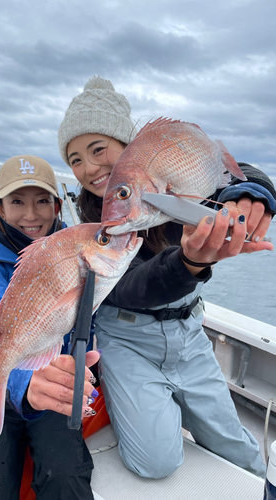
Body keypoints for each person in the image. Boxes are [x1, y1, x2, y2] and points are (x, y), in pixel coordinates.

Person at [58, 76, 276, 479]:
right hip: (125, 339)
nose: (88, 168)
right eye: (74, 159)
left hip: (189, 335)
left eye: (98, 149)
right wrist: (189, 262)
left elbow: (236, 173)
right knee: (156, 462)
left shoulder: (167, 181)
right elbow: (127, 288)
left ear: (129, 148)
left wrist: (254, 193)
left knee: (241, 453)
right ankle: (158, 404)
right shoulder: (95, 216)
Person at [0, 154, 100, 500]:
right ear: (0, 207)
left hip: (51, 385)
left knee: (68, 481)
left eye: (42, 201)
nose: (31, 215)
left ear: (58, 206)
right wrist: (22, 378)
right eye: (17, 201)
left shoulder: (76, 249)